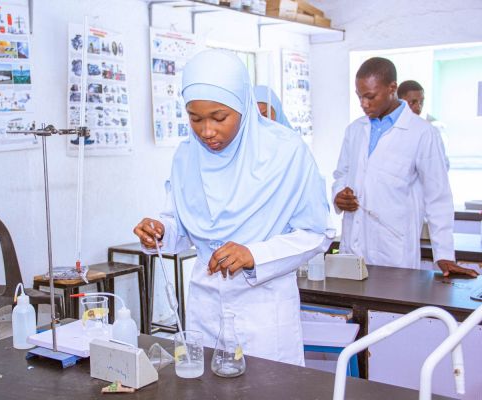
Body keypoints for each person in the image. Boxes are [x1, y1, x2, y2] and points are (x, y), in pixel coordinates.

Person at [133, 49, 334, 365]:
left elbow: (316, 232)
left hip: (263, 308)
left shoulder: (286, 152)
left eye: (219, 117)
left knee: (267, 385)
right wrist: (160, 232)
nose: (207, 131)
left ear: (243, 105)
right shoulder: (186, 156)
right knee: (205, 385)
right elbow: (180, 227)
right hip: (205, 304)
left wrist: (255, 255)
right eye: (195, 118)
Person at [332, 57, 477, 277]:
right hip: (353, 246)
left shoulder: (422, 133)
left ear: (392, 88)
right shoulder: (354, 130)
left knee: (393, 298)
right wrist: (338, 195)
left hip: (394, 251)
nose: (364, 103)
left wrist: (444, 254)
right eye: (359, 96)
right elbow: (341, 173)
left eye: (370, 96)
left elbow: (438, 196)